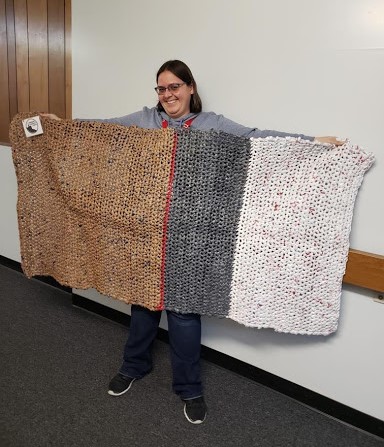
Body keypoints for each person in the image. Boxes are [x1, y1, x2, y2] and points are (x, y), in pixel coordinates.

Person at [41, 60, 343, 425]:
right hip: (146, 234)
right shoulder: (143, 121)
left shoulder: (212, 125)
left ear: (190, 88)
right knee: (144, 306)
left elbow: (258, 137)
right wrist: (61, 127)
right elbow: (100, 131)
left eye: (174, 87)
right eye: (161, 88)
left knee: (184, 315)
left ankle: (190, 388)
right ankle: (133, 366)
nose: (167, 95)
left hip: (192, 238)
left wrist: (311, 143)